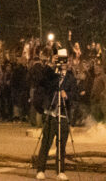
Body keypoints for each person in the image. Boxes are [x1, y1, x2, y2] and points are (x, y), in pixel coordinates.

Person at [34, 50, 75, 181]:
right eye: (60, 60)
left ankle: (60, 171)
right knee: (46, 143)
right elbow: (41, 81)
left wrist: (66, 95)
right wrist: (52, 65)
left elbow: (75, 95)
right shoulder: (51, 75)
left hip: (63, 115)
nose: (63, 63)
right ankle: (40, 170)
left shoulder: (70, 78)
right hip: (51, 114)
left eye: (65, 60)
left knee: (61, 145)